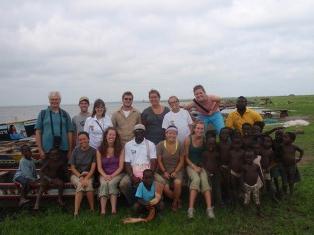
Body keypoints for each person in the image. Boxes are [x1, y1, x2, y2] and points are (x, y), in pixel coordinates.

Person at [119, 124, 157, 206]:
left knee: (161, 181)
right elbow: (127, 163)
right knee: (123, 184)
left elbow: (153, 161)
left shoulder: (150, 144)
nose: (139, 133)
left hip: (148, 172)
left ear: (145, 133)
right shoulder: (128, 145)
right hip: (133, 171)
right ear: (134, 132)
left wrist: (150, 175)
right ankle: (132, 202)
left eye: (141, 131)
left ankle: (155, 202)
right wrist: (132, 176)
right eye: (137, 131)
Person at [184, 121, 215, 219]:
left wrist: (204, 167)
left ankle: (209, 209)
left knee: (205, 180)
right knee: (196, 180)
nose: (200, 130)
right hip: (190, 165)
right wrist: (194, 167)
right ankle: (191, 209)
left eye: (202, 129)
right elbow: (185, 157)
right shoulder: (188, 139)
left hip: (201, 166)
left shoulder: (204, 140)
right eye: (198, 128)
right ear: (194, 129)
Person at [35, 91, 73, 160]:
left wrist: (70, 151)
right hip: (47, 150)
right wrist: (40, 150)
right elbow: (38, 132)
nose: (54, 101)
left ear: (60, 100)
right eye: (52, 99)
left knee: (63, 170)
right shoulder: (43, 114)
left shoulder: (65, 114)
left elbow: (69, 133)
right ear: (49, 100)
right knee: (48, 170)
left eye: (56, 99)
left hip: (63, 149)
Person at [155, 125, 184, 212]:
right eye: (170, 133)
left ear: (176, 135)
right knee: (166, 189)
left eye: (174, 133)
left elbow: (182, 161)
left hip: (177, 170)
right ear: (166, 134)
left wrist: (176, 171)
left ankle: (174, 202)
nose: (172, 135)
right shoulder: (160, 145)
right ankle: (178, 199)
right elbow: (159, 160)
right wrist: (164, 172)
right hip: (164, 171)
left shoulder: (180, 145)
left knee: (177, 183)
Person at [97, 127, 124, 215]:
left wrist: (111, 176)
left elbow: (120, 167)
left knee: (112, 183)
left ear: (116, 137)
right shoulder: (100, 149)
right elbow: (99, 167)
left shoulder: (120, 148)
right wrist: (105, 175)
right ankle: (103, 211)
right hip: (104, 173)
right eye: (110, 134)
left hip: (117, 173)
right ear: (106, 136)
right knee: (104, 184)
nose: (111, 136)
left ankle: (113, 210)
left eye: (113, 135)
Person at [69, 131, 96, 217]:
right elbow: (72, 168)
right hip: (76, 175)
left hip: (89, 174)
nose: (82, 141)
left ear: (88, 139)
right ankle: (76, 212)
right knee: (80, 185)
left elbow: (93, 169)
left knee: (88, 185)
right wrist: (80, 177)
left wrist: (86, 178)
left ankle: (92, 209)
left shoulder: (93, 151)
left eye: (84, 139)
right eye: (80, 140)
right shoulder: (75, 151)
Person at [242, 149, 264, 216]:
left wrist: (263, 183)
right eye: (247, 158)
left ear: (254, 157)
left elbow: (260, 175)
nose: (248, 159)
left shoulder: (256, 166)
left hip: (255, 185)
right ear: (244, 158)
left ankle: (259, 212)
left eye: (250, 157)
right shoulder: (244, 167)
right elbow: (241, 177)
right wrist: (241, 185)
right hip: (246, 186)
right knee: (246, 200)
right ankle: (245, 212)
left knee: (257, 200)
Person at [203, 136, 222, 207]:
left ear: (215, 145)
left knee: (217, 188)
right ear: (206, 144)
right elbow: (203, 164)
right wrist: (207, 172)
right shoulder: (204, 153)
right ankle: (210, 202)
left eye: (213, 144)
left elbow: (218, 163)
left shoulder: (217, 154)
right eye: (209, 144)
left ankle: (219, 202)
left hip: (216, 173)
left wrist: (217, 171)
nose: (211, 146)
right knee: (209, 188)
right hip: (207, 173)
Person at [229, 136, 245, 206]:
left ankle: (243, 200)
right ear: (232, 144)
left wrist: (243, 170)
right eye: (235, 143)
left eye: (238, 143)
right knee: (233, 186)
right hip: (233, 172)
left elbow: (245, 161)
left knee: (242, 186)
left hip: (241, 172)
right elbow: (229, 162)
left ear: (241, 144)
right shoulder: (231, 152)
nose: (237, 145)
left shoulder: (243, 152)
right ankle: (235, 201)